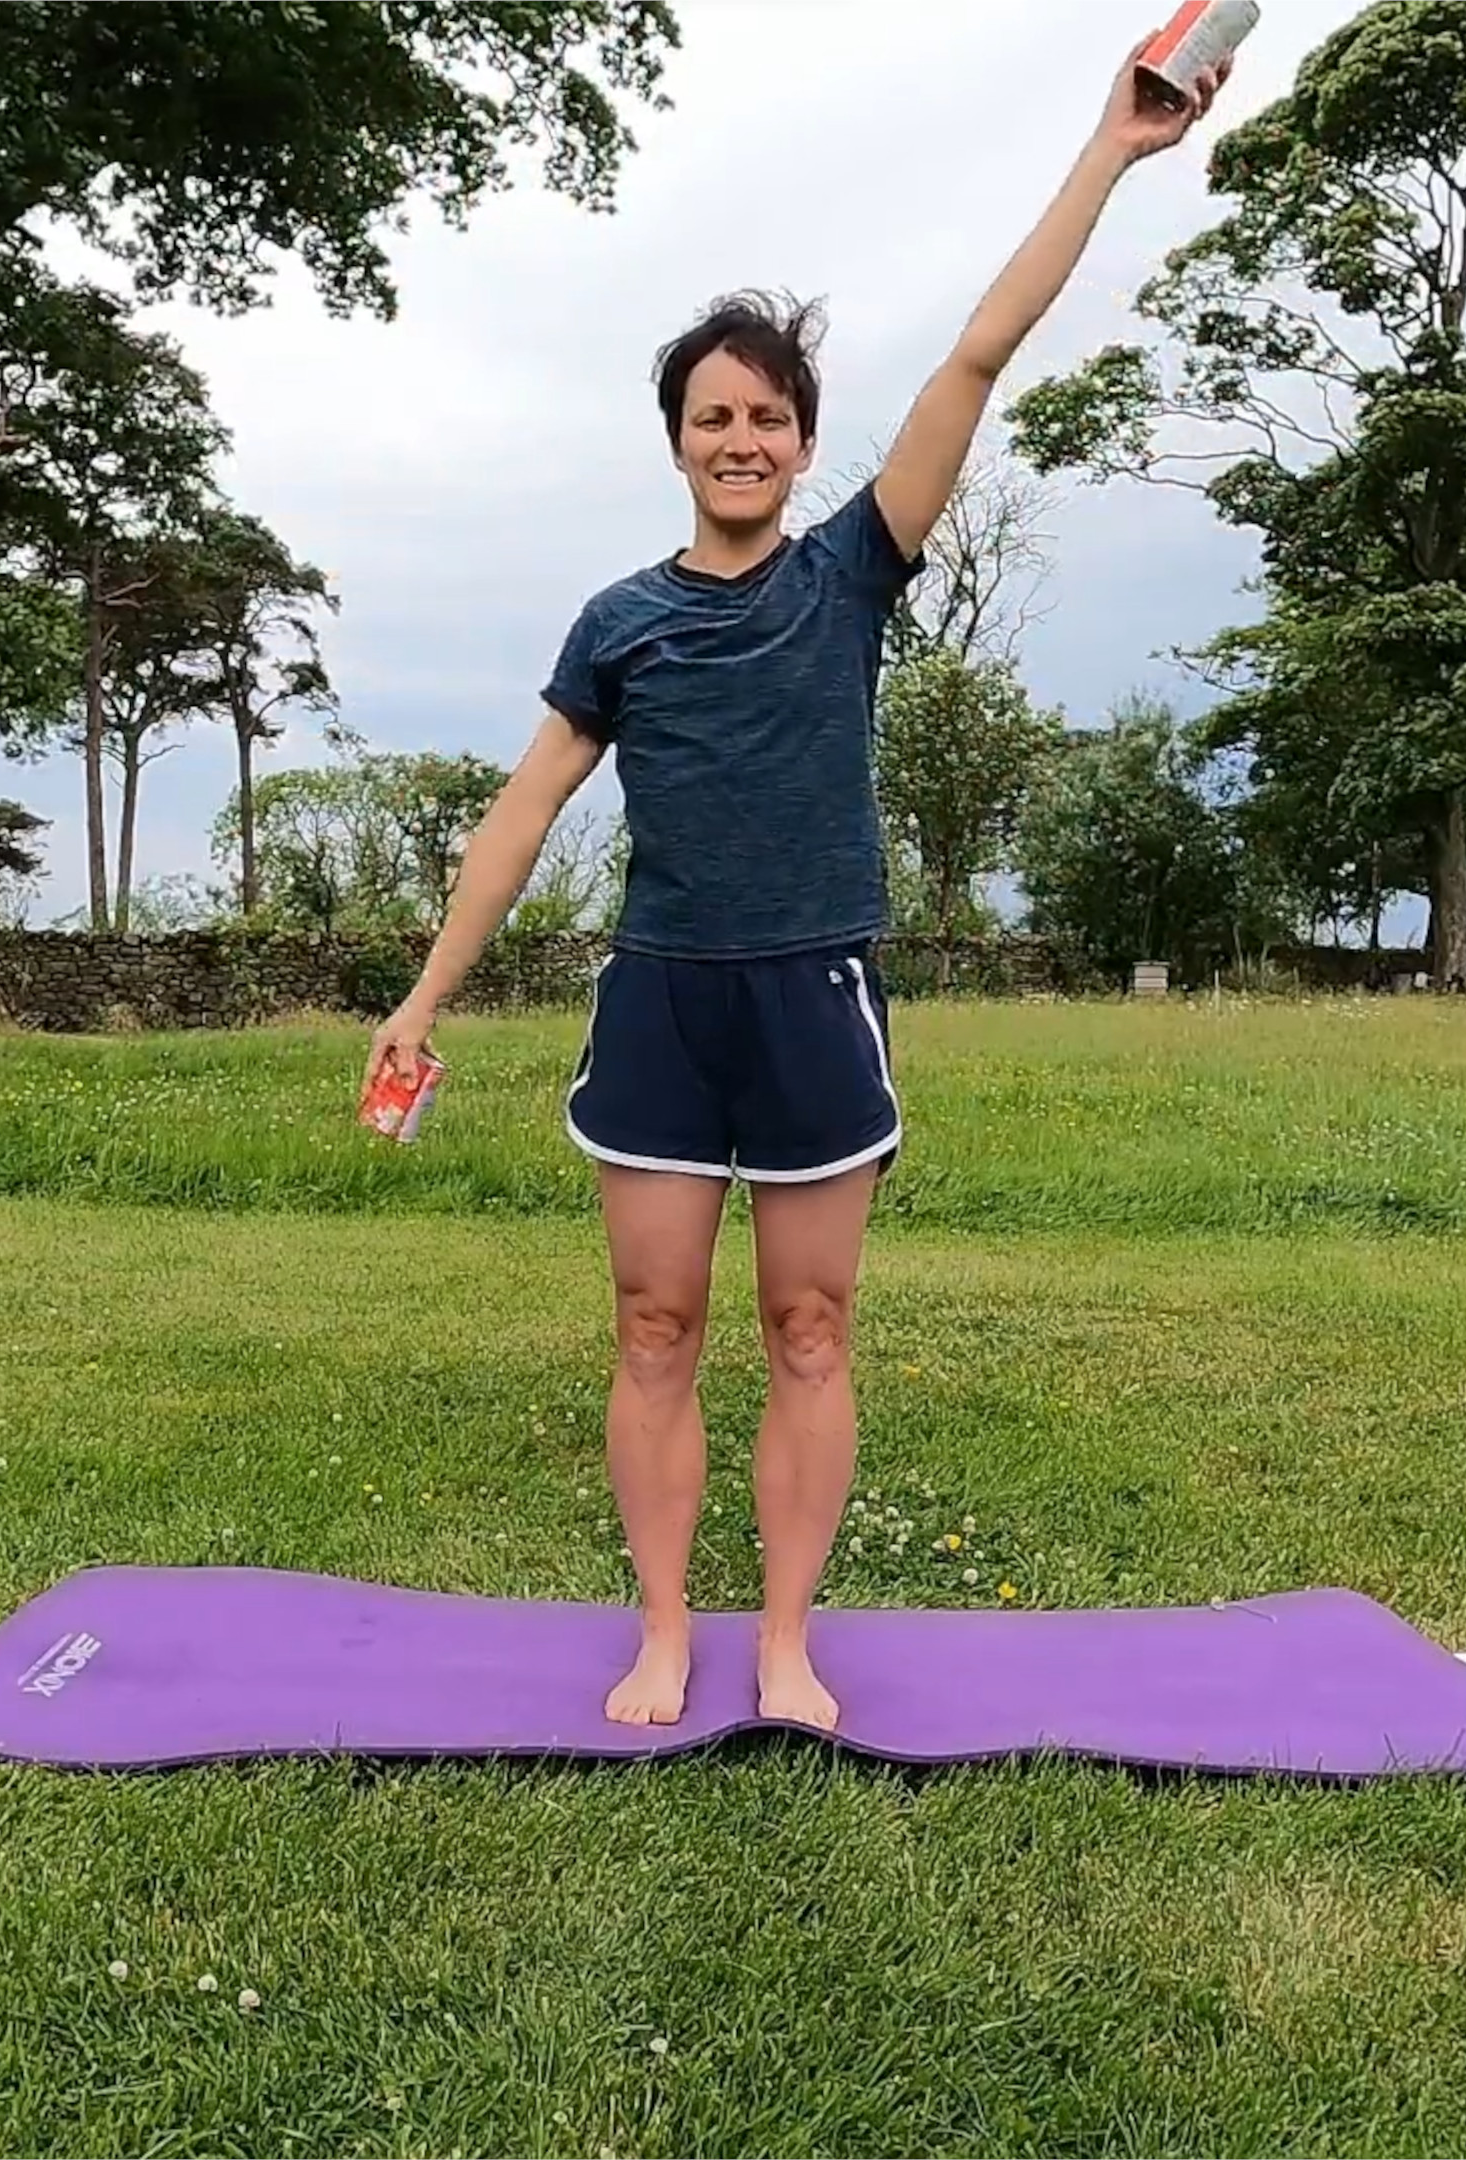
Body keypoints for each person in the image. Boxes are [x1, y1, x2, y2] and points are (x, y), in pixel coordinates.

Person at [362, 40, 1227, 1733]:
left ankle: (782, 1640)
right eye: (713, 418)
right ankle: (668, 1627)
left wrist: (1112, 151)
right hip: (666, 996)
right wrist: (421, 995)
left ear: (803, 440)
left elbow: (981, 354)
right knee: (656, 1321)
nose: (740, 439)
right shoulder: (621, 621)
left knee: (811, 1322)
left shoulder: (850, 574)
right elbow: (523, 816)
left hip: (815, 989)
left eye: (767, 417)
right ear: (677, 444)